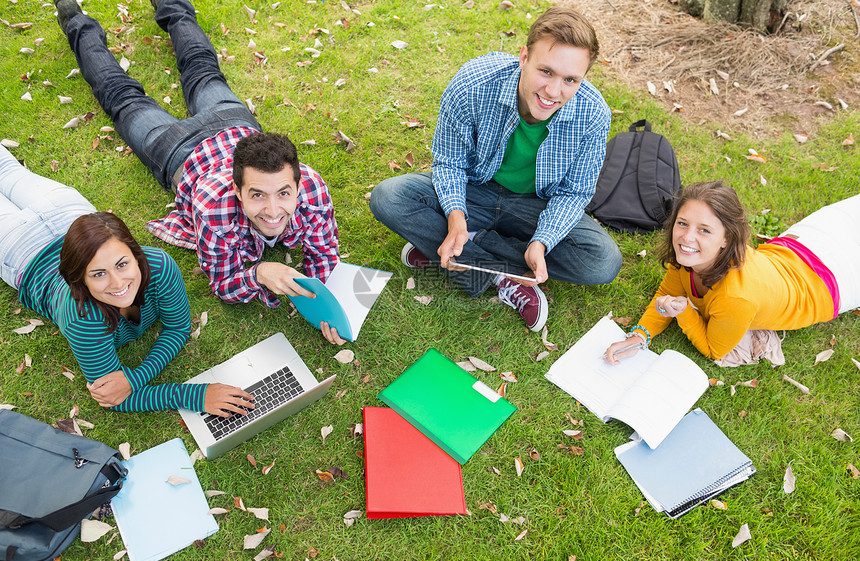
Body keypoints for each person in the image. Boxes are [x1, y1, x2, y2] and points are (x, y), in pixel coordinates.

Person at [52, 0, 344, 345]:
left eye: (283, 193)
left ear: (298, 185)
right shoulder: (213, 207)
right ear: (237, 191)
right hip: (177, 150)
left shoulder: (313, 187)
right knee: (122, 96)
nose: (273, 210)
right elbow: (224, 285)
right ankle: (75, 20)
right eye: (257, 194)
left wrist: (325, 306)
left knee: (201, 67)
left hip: (234, 122)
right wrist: (260, 272)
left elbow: (325, 253)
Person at [369, 5, 621, 332]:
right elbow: (449, 161)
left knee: (603, 261)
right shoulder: (473, 82)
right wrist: (456, 215)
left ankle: (455, 251)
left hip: (534, 205)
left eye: (570, 79)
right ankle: (499, 273)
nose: (554, 92)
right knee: (389, 197)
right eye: (546, 71)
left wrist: (541, 242)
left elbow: (574, 192)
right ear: (524, 57)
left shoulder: (593, 113)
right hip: (476, 190)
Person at [0, 145, 254, 416]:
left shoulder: (159, 266)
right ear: (81, 280)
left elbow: (178, 329)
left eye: (122, 264)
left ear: (136, 254)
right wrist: (195, 395)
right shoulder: (79, 313)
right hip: (20, 248)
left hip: (66, 212)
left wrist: (132, 378)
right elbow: (114, 398)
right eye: (98, 274)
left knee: (7, 169)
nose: (118, 282)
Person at [603, 180, 860, 363]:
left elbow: (714, 349)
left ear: (727, 238)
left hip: (836, 283)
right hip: (802, 244)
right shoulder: (692, 256)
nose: (686, 237)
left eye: (704, 230)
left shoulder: (736, 298)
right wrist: (639, 335)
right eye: (682, 223)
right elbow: (667, 292)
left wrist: (685, 313)